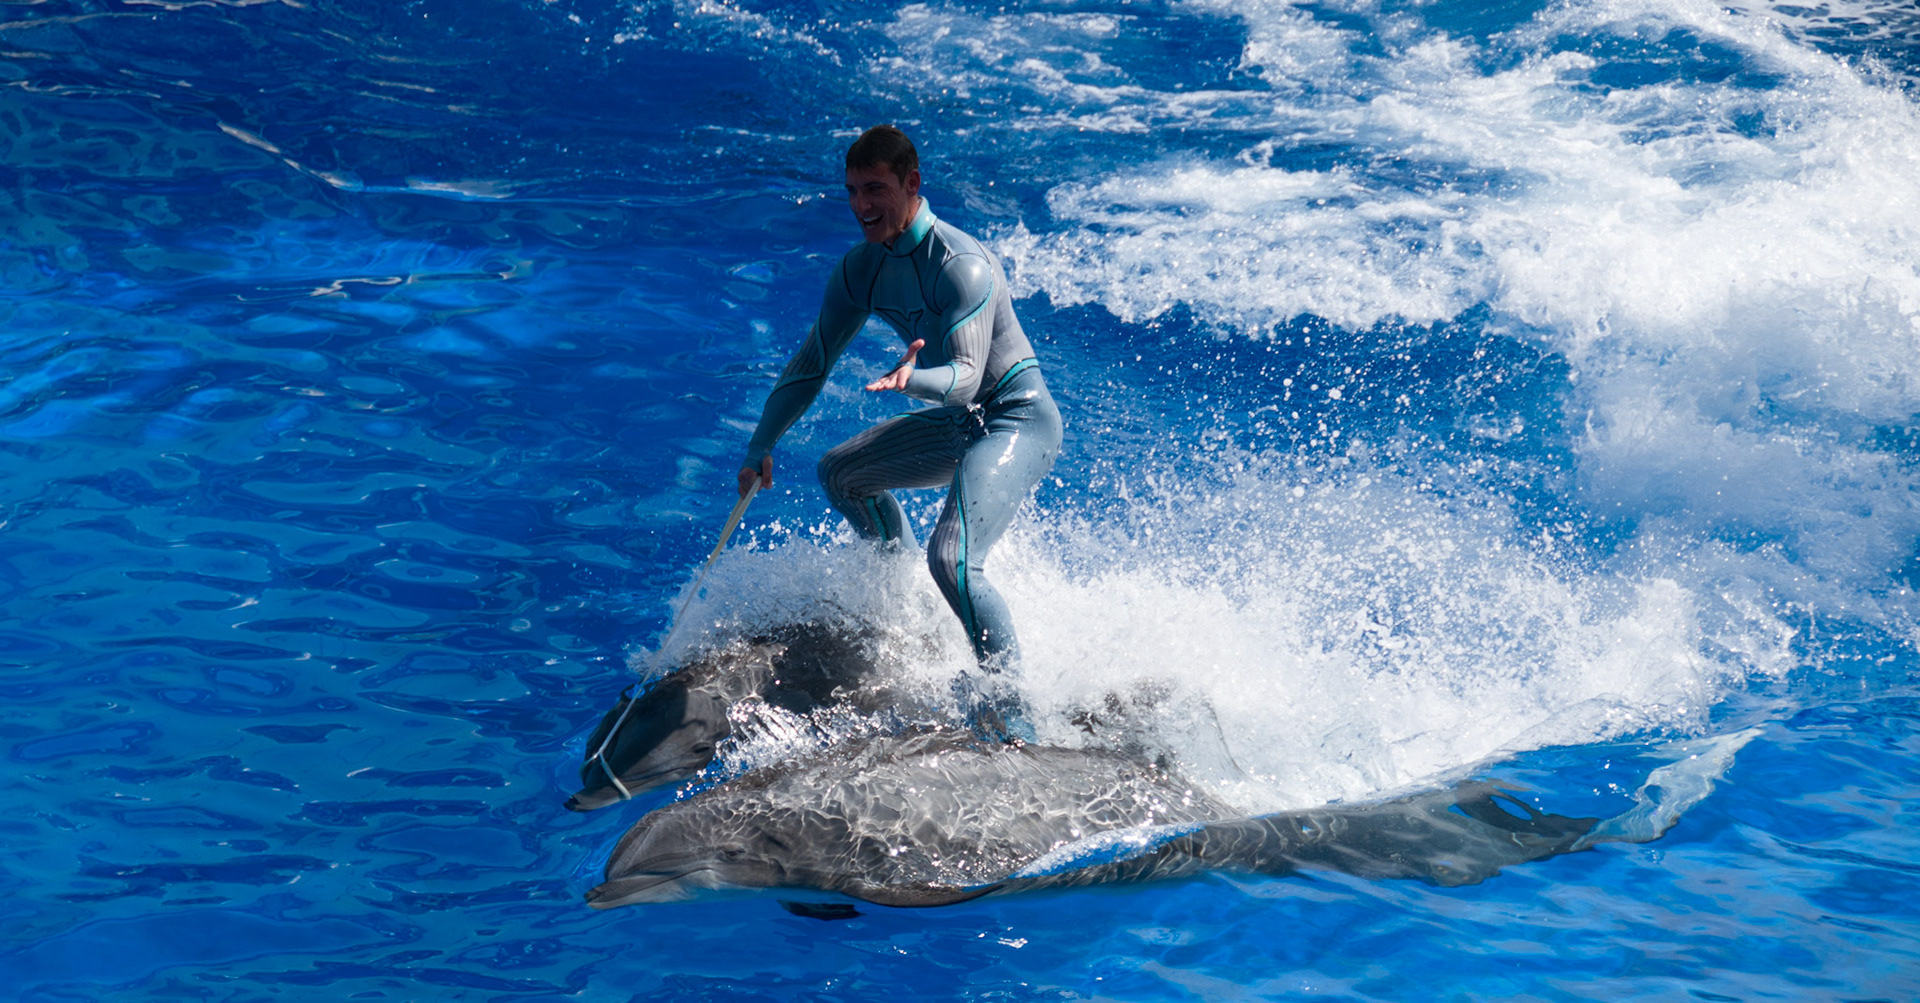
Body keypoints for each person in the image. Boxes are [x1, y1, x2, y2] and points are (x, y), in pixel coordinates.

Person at [735, 125, 1061, 740]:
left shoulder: (962, 266)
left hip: (1015, 418)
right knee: (841, 474)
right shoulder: (860, 271)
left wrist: (912, 381)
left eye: (877, 189)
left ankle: (1018, 717)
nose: (862, 206)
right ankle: (911, 618)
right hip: (961, 422)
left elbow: (965, 379)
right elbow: (811, 365)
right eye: (853, 191)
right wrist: (760, 444)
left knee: (955, 559)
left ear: (912, 185)